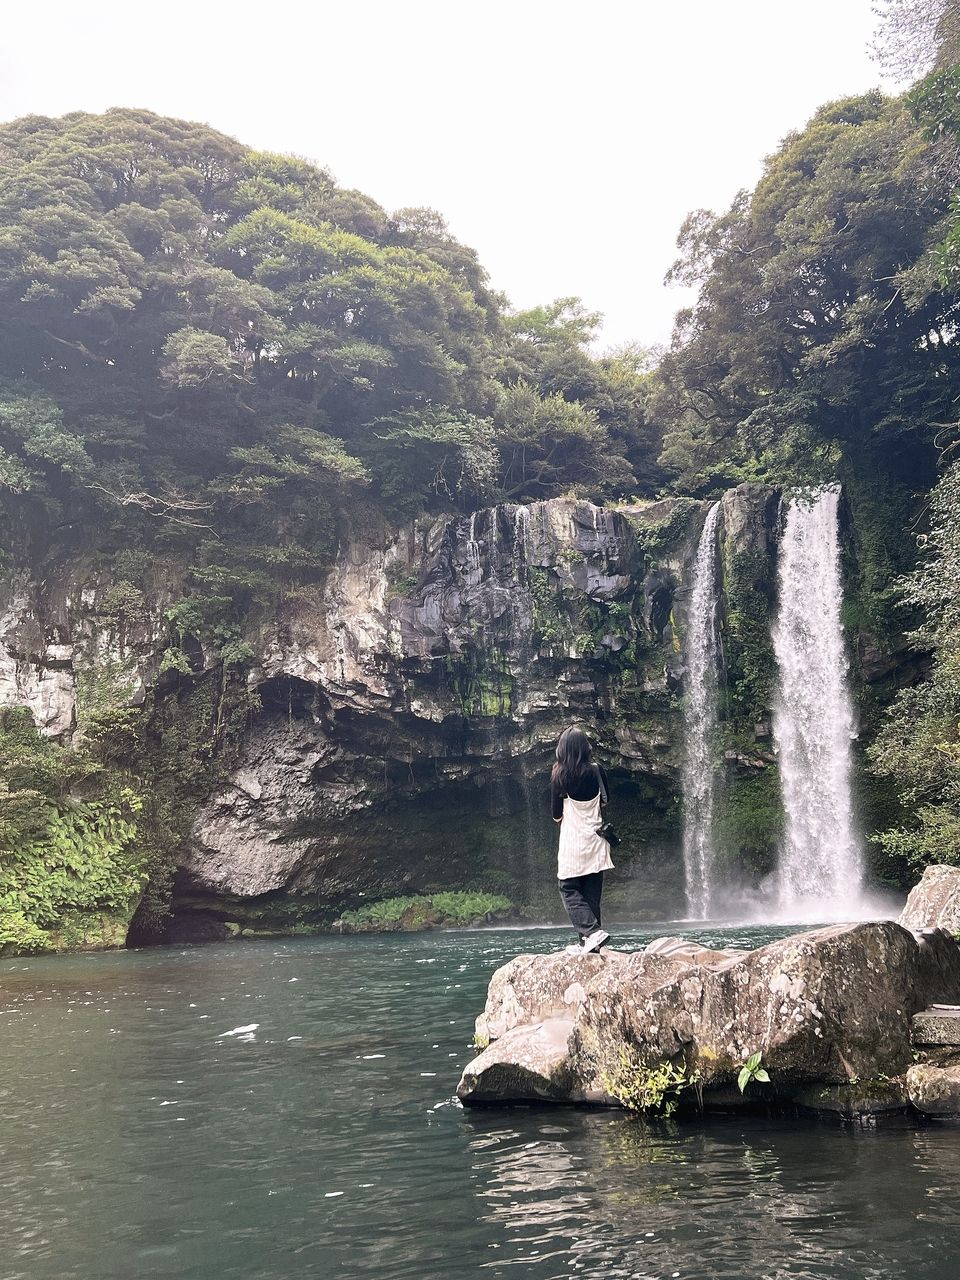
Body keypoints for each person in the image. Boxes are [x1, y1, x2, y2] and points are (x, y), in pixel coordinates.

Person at [551, 726, 613, 953]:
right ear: (585, 747)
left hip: (573, 841)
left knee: (567, 887)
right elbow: (605, 801)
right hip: (596, 840)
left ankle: (592, 933)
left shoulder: (559, 775)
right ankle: (590, 944)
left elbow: (556, 814)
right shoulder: (598, 771)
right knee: (591, 893)